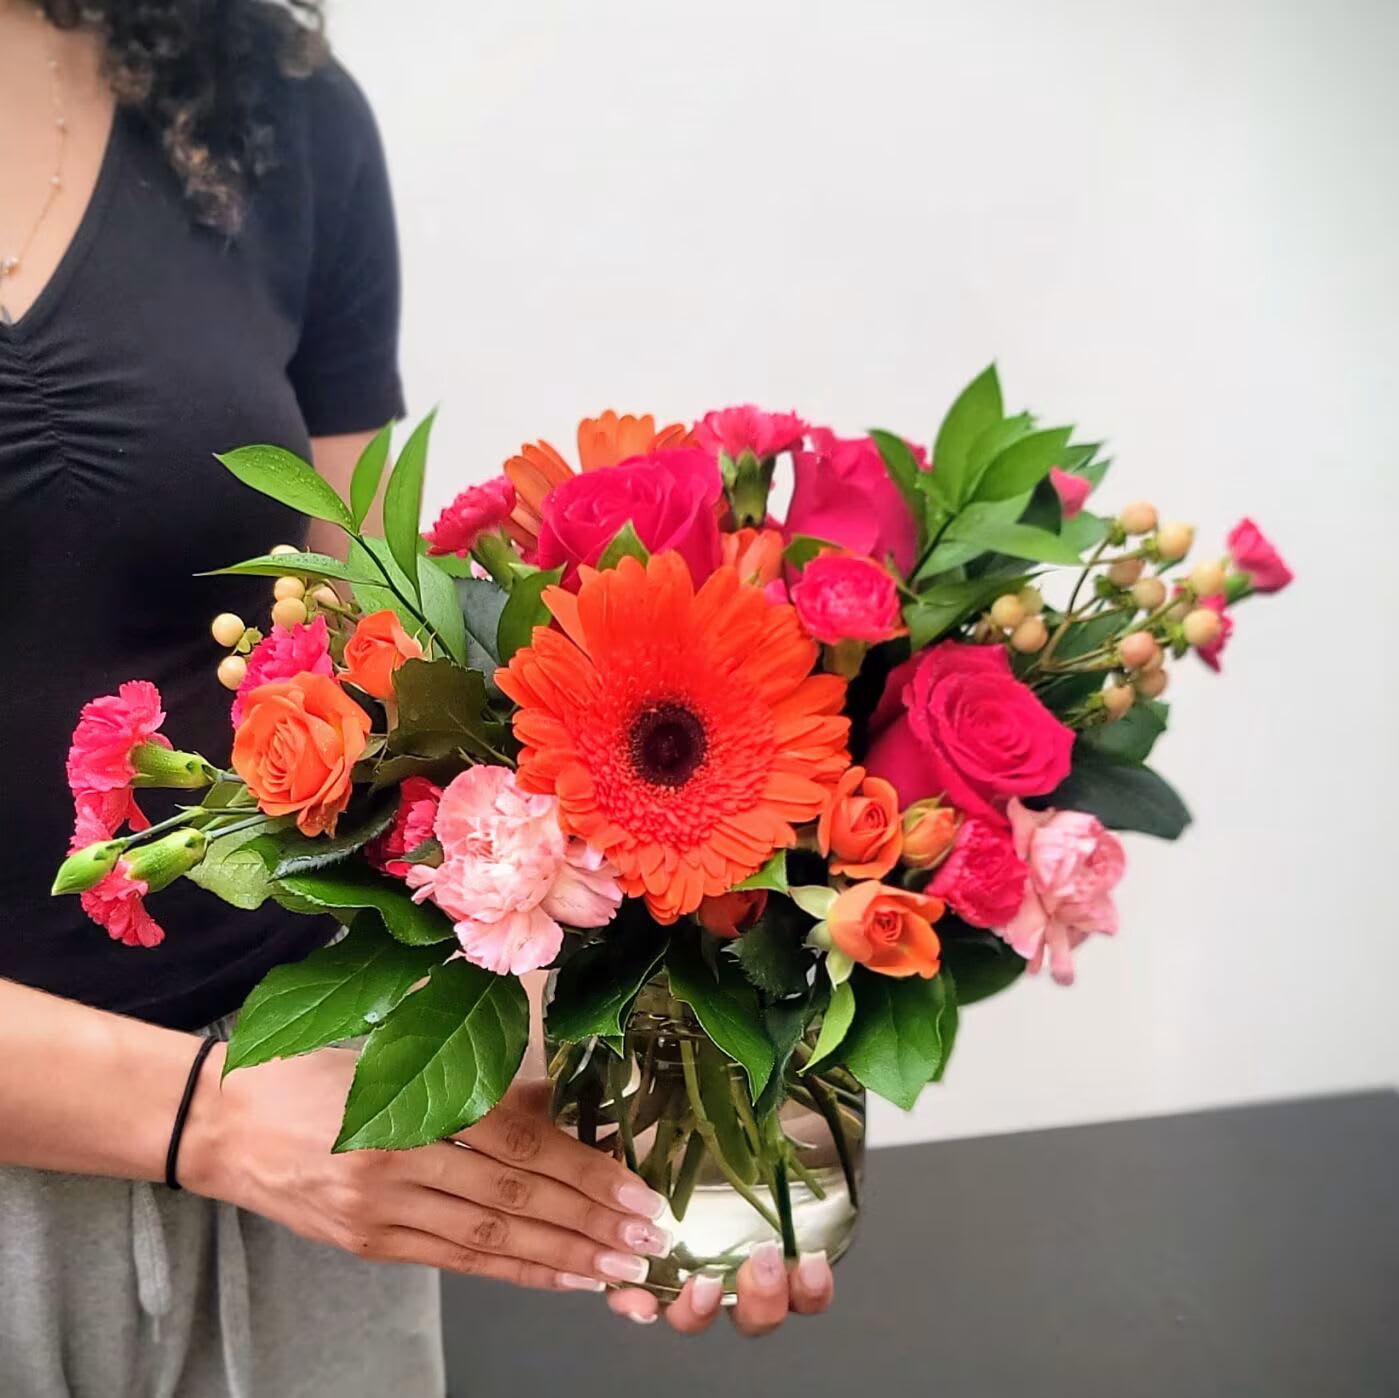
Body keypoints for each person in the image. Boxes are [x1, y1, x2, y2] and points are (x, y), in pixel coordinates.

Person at [0, 2, 835, 1393]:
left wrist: (664, 1028)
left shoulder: (268, 103)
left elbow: (378, 703)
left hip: (312, 1147)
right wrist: (207, 1121)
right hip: (227, 1137)